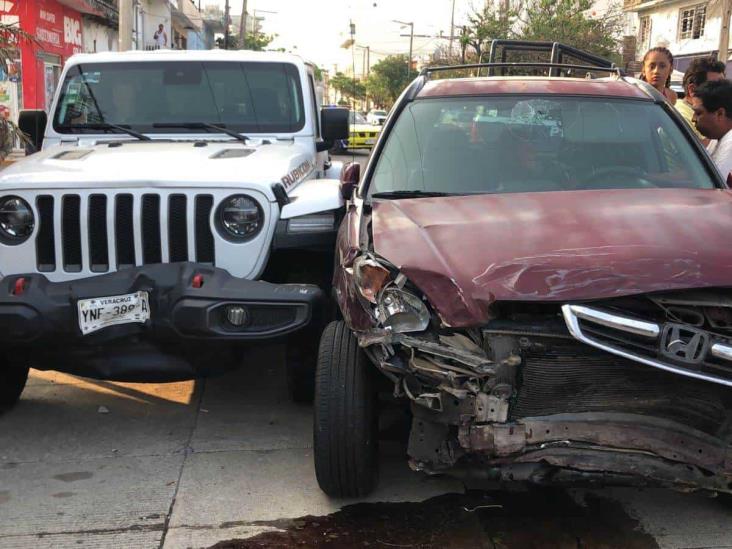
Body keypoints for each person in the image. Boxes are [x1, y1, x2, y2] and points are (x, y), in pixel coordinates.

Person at [675, 57, 725, 145]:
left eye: (723, 86)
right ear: (692, 90)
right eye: (714, 87)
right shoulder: (680, 116)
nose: (722, 92)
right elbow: (704, 152)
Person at [691, 79, 732, 180]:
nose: (693, 119)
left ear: (720, 114)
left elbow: (709, 182)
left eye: (699, 113)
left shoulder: (730, 142)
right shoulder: (717, 138)